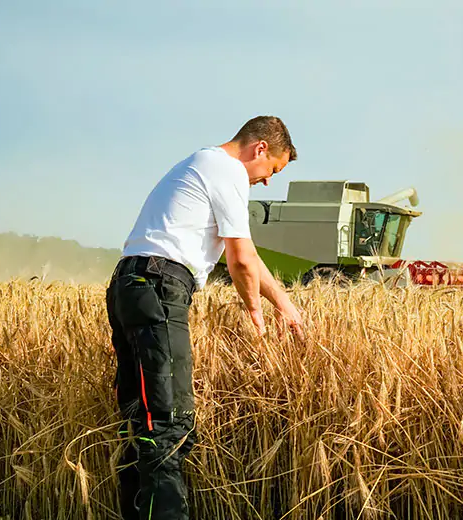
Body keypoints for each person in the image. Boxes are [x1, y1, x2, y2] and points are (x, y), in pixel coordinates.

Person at [105, 116, 305, 520]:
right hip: (160, 287)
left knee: (140, 422)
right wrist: (255, 313)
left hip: (135, 284)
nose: (266, 182)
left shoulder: (204, 165)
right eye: (272, 171)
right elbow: (239, 259)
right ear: (260, 149)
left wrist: (284, 304)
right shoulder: (227, 169)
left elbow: (249, 256)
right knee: (169, 425)